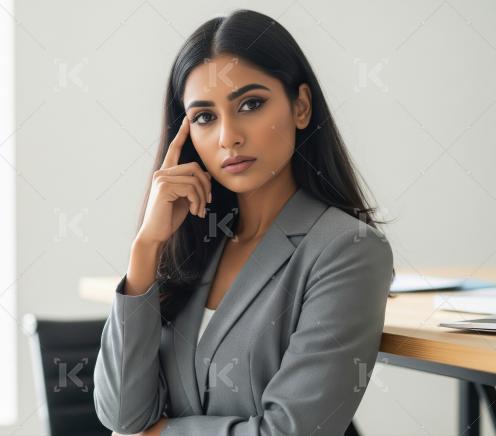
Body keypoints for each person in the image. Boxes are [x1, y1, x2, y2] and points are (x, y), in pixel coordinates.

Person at [93, 9, 395, 436]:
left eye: (250, 105)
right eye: (204, 117)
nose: (228, 136)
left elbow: (292, 432)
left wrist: (161, 434)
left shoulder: (349, 249)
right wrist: (145, 250)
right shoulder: (195, 246)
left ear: (301, 106)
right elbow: (122, 416)